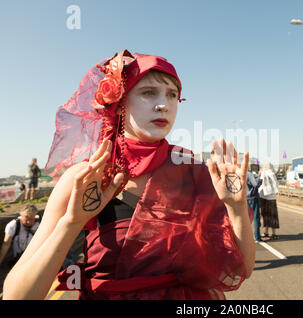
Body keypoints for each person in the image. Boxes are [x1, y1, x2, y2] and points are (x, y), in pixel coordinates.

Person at [3, 50, 254, 300]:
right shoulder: (86, 178)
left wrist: (237, 206)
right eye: (148, 92)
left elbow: (241, 269)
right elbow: (18, 296)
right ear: (120, 102)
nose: (163, 105)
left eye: (172, 95)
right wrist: (72, 223)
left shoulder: (193, 172)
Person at [258, 164, 280, 240]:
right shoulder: (273, 174)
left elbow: (258, 182)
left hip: (263, 196)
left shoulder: (263, 173)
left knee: (265, 215)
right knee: (272, 216)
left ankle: (266, 232)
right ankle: (273, 233)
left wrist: (259, 173)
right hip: (271, 197)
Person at [247, 169, 262, 242]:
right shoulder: (249, 173)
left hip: (245, 198)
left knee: (247, 218)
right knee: (256, 217)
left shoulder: (240, 173)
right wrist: (259, 176)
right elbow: (255, 184)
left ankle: (246, 236)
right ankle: (257, 237)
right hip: (252, 197)